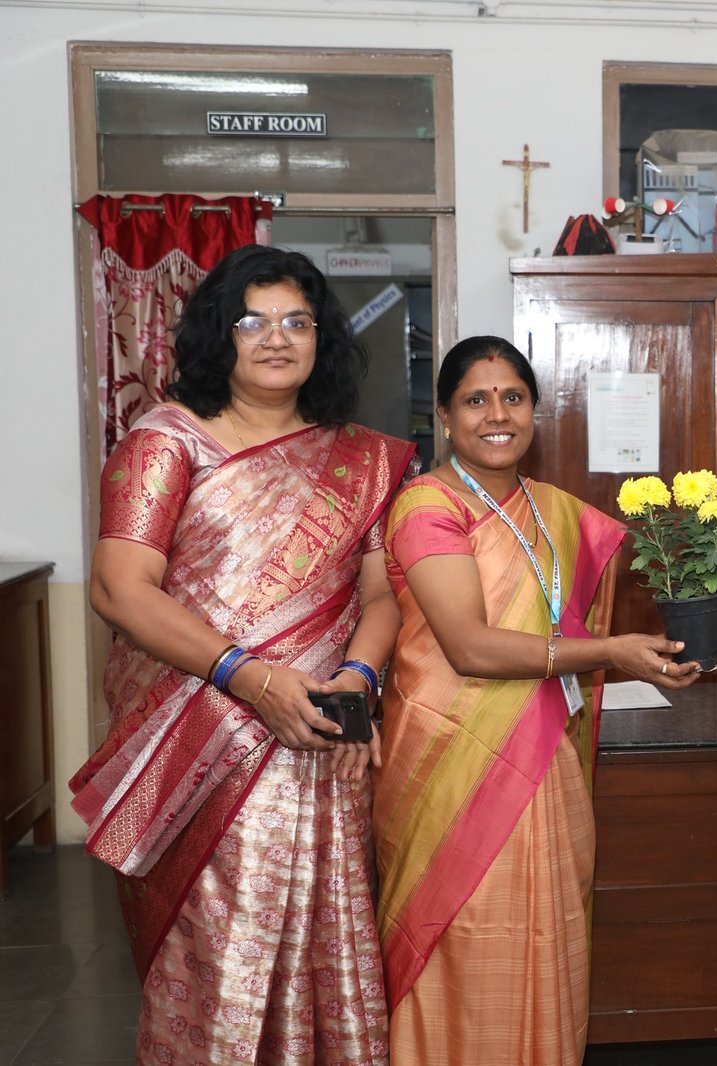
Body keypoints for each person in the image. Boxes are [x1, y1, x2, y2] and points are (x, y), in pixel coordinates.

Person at [71, 244, 413, 1064]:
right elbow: (120, 589)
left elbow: (381, 596)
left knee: (328, 943)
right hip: (204, 741)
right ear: (218, 334)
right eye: (252, 321)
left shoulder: (360, 459)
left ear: (322, 338)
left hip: (322, 734)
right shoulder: (169, 442)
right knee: (219, 955)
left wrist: (357, 681)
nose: (276, 338)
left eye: (298, 321)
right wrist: (250, 679)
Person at [372, 336, 700, 1065]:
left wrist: (713, 580)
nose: (498, 415)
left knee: (547, 931)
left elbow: (621, 578)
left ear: (535, 411)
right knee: (462, 940)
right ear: (445, 416)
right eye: (476, 400)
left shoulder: (552, 509)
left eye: (513, 398)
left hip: (547, 758)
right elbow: (469, 646)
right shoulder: (428, 506)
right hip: (447, 762)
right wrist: (610, 651)